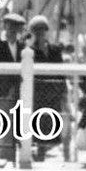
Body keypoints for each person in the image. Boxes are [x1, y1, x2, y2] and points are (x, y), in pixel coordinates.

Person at [27, 15, 65, 159]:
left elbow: (61, 72)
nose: (40, 33)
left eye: (42, 30)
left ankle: (47, 148)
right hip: (37, 92)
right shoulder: (29, 51)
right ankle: (39, 150)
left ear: (46, 31)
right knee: (38, 121)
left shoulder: (55, 49)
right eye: (36, 30)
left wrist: (62, 91)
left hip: (53, 92)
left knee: (52, 121)